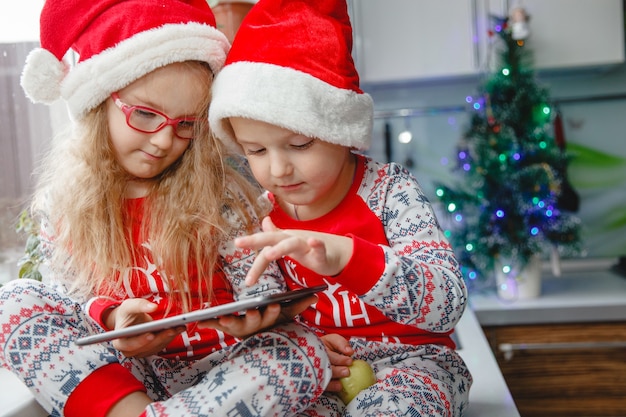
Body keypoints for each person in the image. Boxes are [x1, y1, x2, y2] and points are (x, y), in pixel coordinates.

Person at [0, 1, 330, 416]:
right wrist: (113, 314)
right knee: (13, 300)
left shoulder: (219, 193)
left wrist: (258, 313)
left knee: (302, 349)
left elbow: (256, 281)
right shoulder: (61, 205)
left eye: (185, 125)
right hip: (129, 373)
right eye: (144, 114)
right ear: (98, 102)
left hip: (225, 370)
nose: (162, 141)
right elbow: (69, 300)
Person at [208, 0, 473, 415]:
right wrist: (268, 327)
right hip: (322, 373)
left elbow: (447, 304)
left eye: (300, 144)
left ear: (340, 129)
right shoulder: (254, 214)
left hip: (418, 366)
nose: (279, 168)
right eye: (255, 150)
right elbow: (260, 305)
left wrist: (346, 258)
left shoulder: (391, 193)